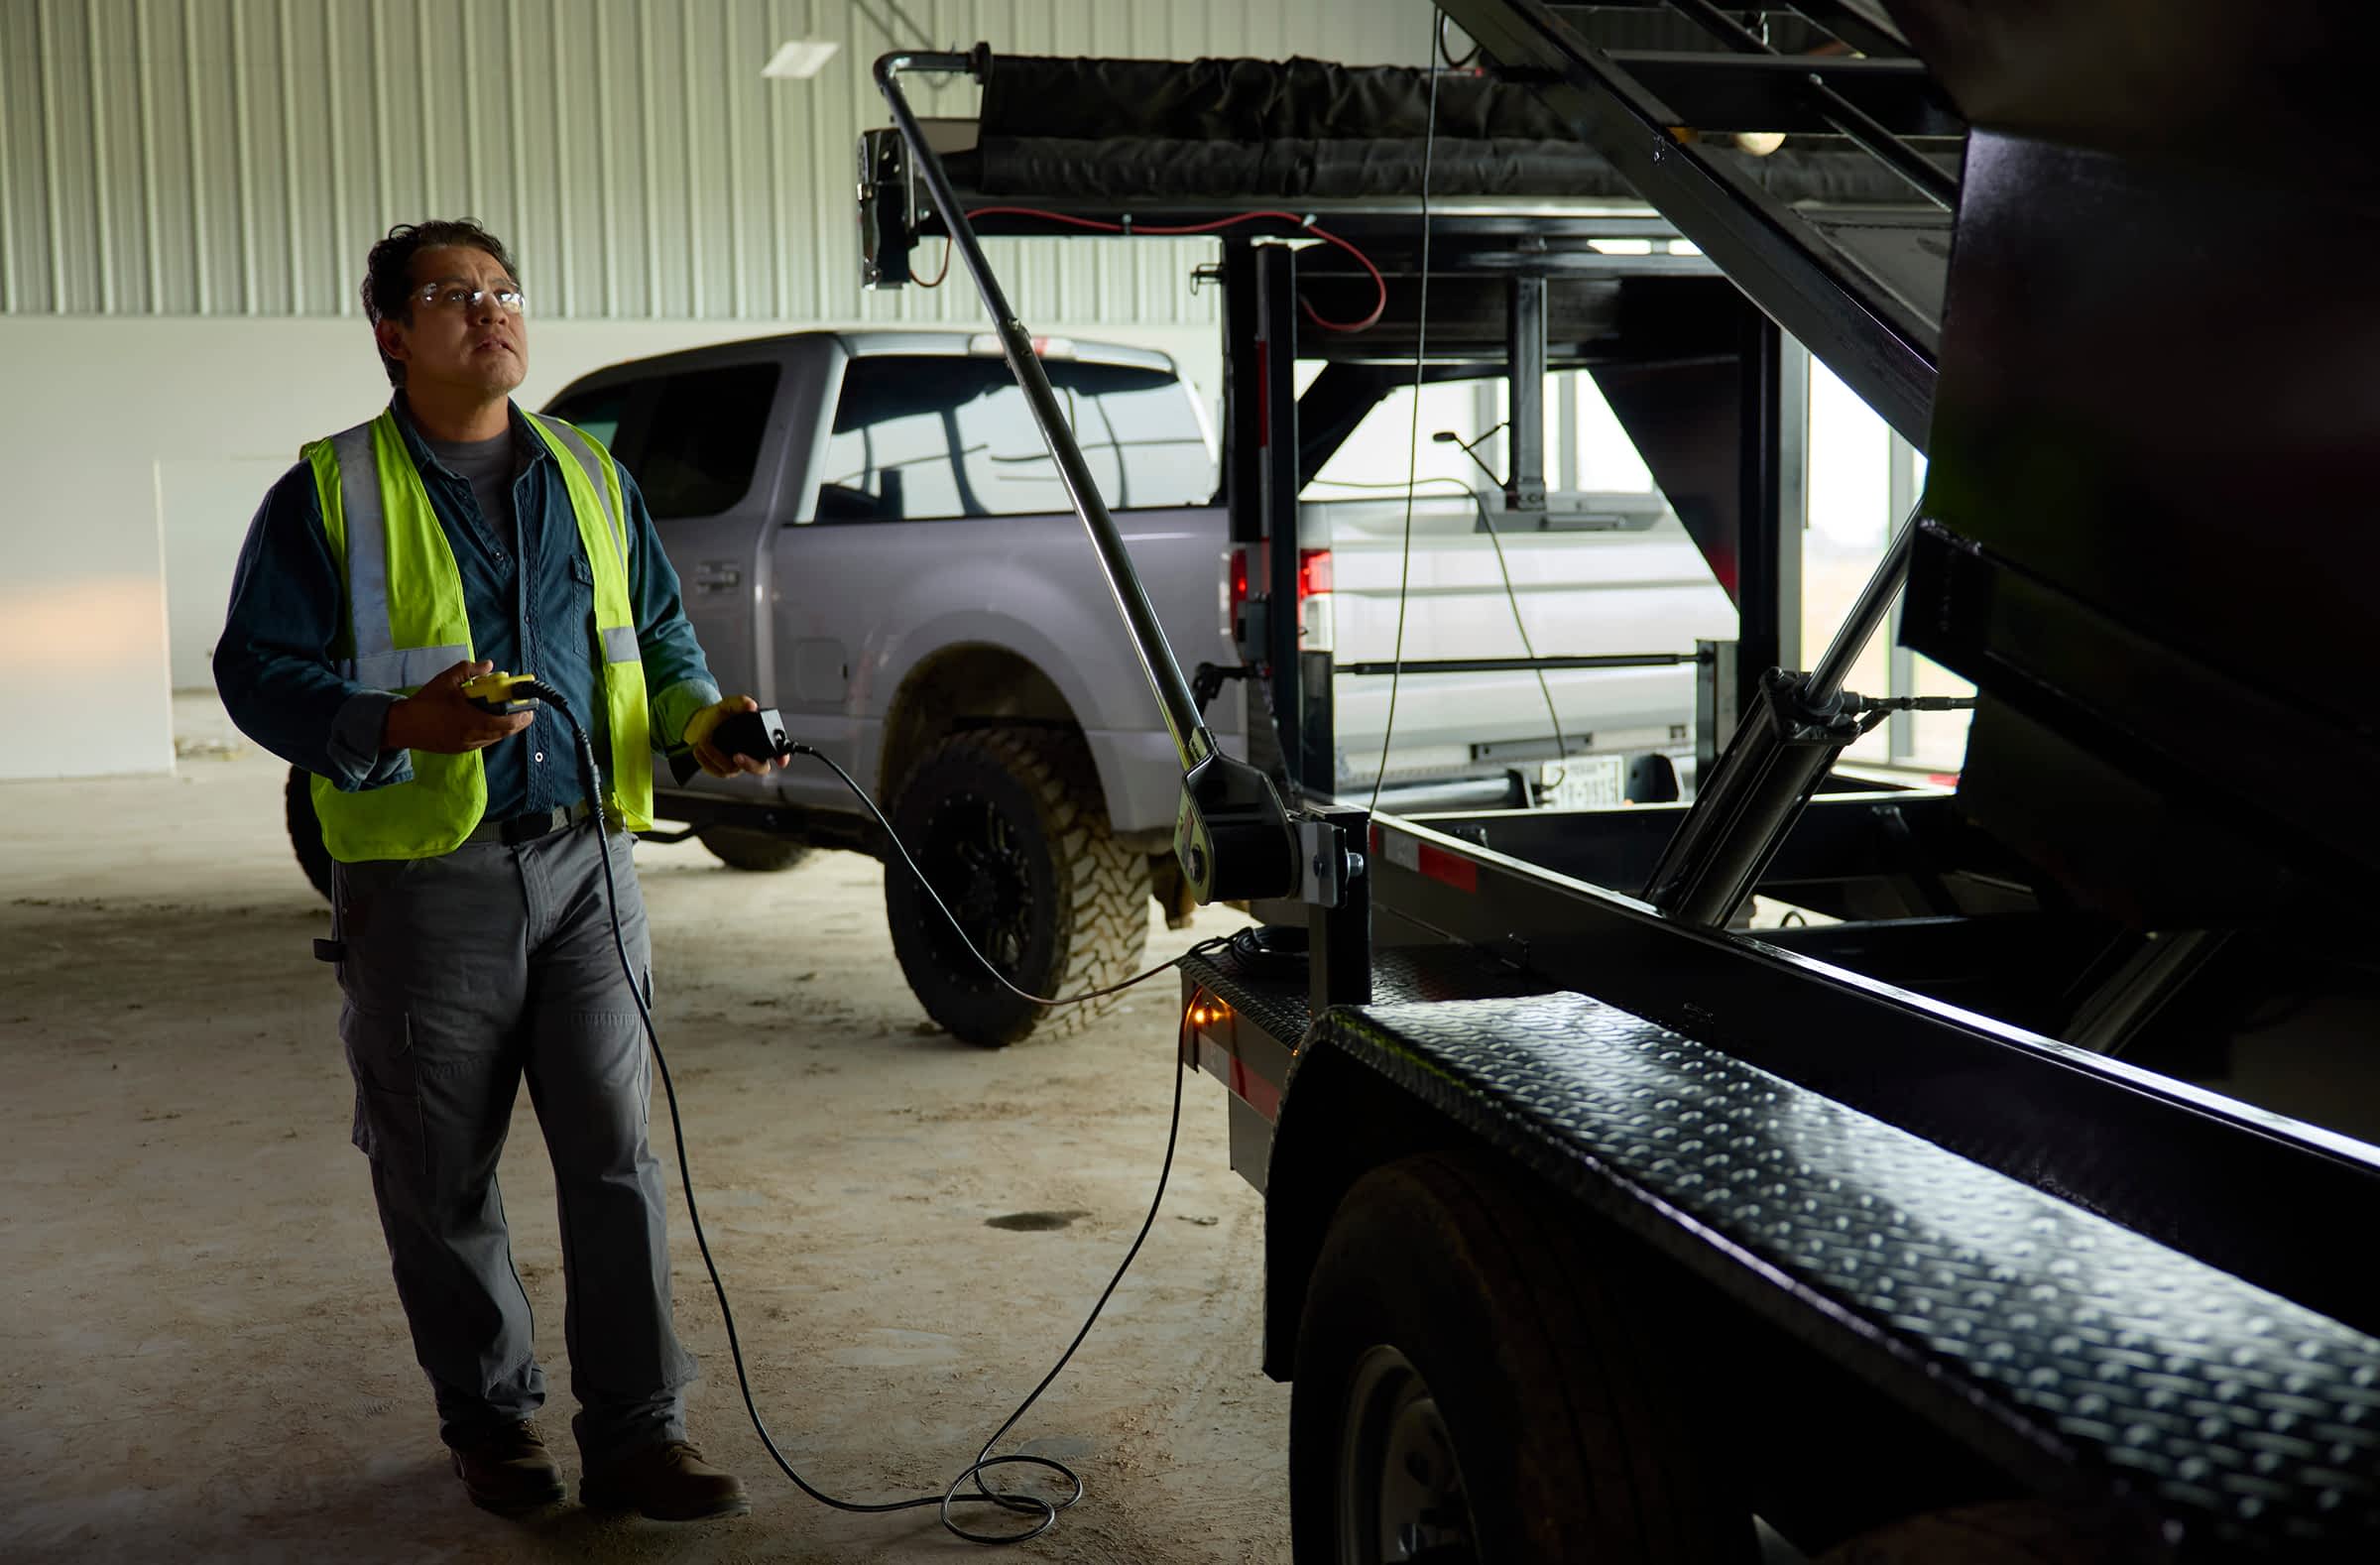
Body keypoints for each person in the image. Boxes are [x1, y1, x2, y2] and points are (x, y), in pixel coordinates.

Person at [215, 218, 783, 1521]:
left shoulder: (590, 471)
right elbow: (257, 671)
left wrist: (706, 723)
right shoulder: (329, 492)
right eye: (454, 294)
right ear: (391, 335)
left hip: (588, 864)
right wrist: (401, 723)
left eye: (504, 289)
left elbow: (656, 635)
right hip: (427, 879)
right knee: (439, 1172)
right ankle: (492, 1420)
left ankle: (640, 1436)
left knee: (616, 1157)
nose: (491, 311)